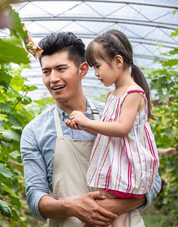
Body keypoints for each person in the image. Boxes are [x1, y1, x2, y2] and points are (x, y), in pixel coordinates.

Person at [20, 31, 162, 226]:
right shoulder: (34, 131)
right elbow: (35, 197)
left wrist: (115, 207)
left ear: (83, 69)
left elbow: (152, 180)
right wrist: (72, 207)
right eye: (46, 71)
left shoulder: (116, 113)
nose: (53, 79)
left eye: (61, 68)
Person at [66, 29, 159, 227]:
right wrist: (83, 125)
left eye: (98, 66)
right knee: (116, 218)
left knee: (104, 212)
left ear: (118, 61)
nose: (96, 73)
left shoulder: (133, 93)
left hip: (125, 168)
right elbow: (106, 131)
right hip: (115, 167)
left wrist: (88, 120)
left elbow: (122, 128)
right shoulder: (112, 95)